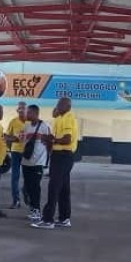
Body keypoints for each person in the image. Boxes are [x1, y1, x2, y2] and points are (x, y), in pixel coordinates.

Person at [32, 97, 78, 230]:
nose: (57, 107)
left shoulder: (68, 117)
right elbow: (57, 134)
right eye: (57, 104)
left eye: (60, 105)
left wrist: (52, 140)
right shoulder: (60, 117)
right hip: (60, 156)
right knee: (63, 189)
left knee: (54, 187)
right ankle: (64, 218)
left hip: (63, 156)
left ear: (67, 106)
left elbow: (67, 139)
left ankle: (48, 220)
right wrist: (50, 140)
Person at [19, 104, 52, 221]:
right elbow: (22, 140)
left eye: (29, 113)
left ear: (35, 113)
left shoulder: (44, 126)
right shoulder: (26, 126)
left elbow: (50, 144)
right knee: (27, 187)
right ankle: (33, 209)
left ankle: (36, 210)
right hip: (26, 162)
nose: (27, 115)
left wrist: (48, 162)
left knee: (35, 187)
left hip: (38, 163)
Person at [3, 101, 27, 208]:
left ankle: (28, 199)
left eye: (23, 109)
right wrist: (12, 144)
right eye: (19, 109)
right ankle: (16, 200)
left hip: (28, 153)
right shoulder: (13, 122)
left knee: (28, 177)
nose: (21, 111)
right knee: (15, 177)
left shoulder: (31, 122)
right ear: (17, 111)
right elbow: (7, 137)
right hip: (16, 152)